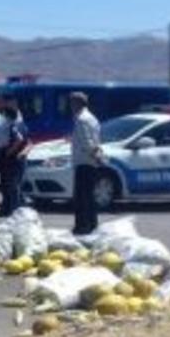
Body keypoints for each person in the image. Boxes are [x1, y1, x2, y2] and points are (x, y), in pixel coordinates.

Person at [69, 91, 104, 235]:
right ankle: (92, 224)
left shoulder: (81, 119)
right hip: (91, 162)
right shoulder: (92, 118)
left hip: (84, 162)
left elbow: (87, 142)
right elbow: (96, 139)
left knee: (81, 197)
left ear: (77, 103)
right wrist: (98, 156)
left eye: (72, 103)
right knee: (89, 196)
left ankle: (82, 226)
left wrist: (95, 156)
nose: (70, 106)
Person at [0, 95, 31, 216]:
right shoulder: (16, 122)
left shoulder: (14, 124)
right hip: (10, 156)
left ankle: (14, 210)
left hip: (12, 158)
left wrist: (8, 152)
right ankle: (7, 208)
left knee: (13, 186)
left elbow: (19, 140)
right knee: (7, 184)